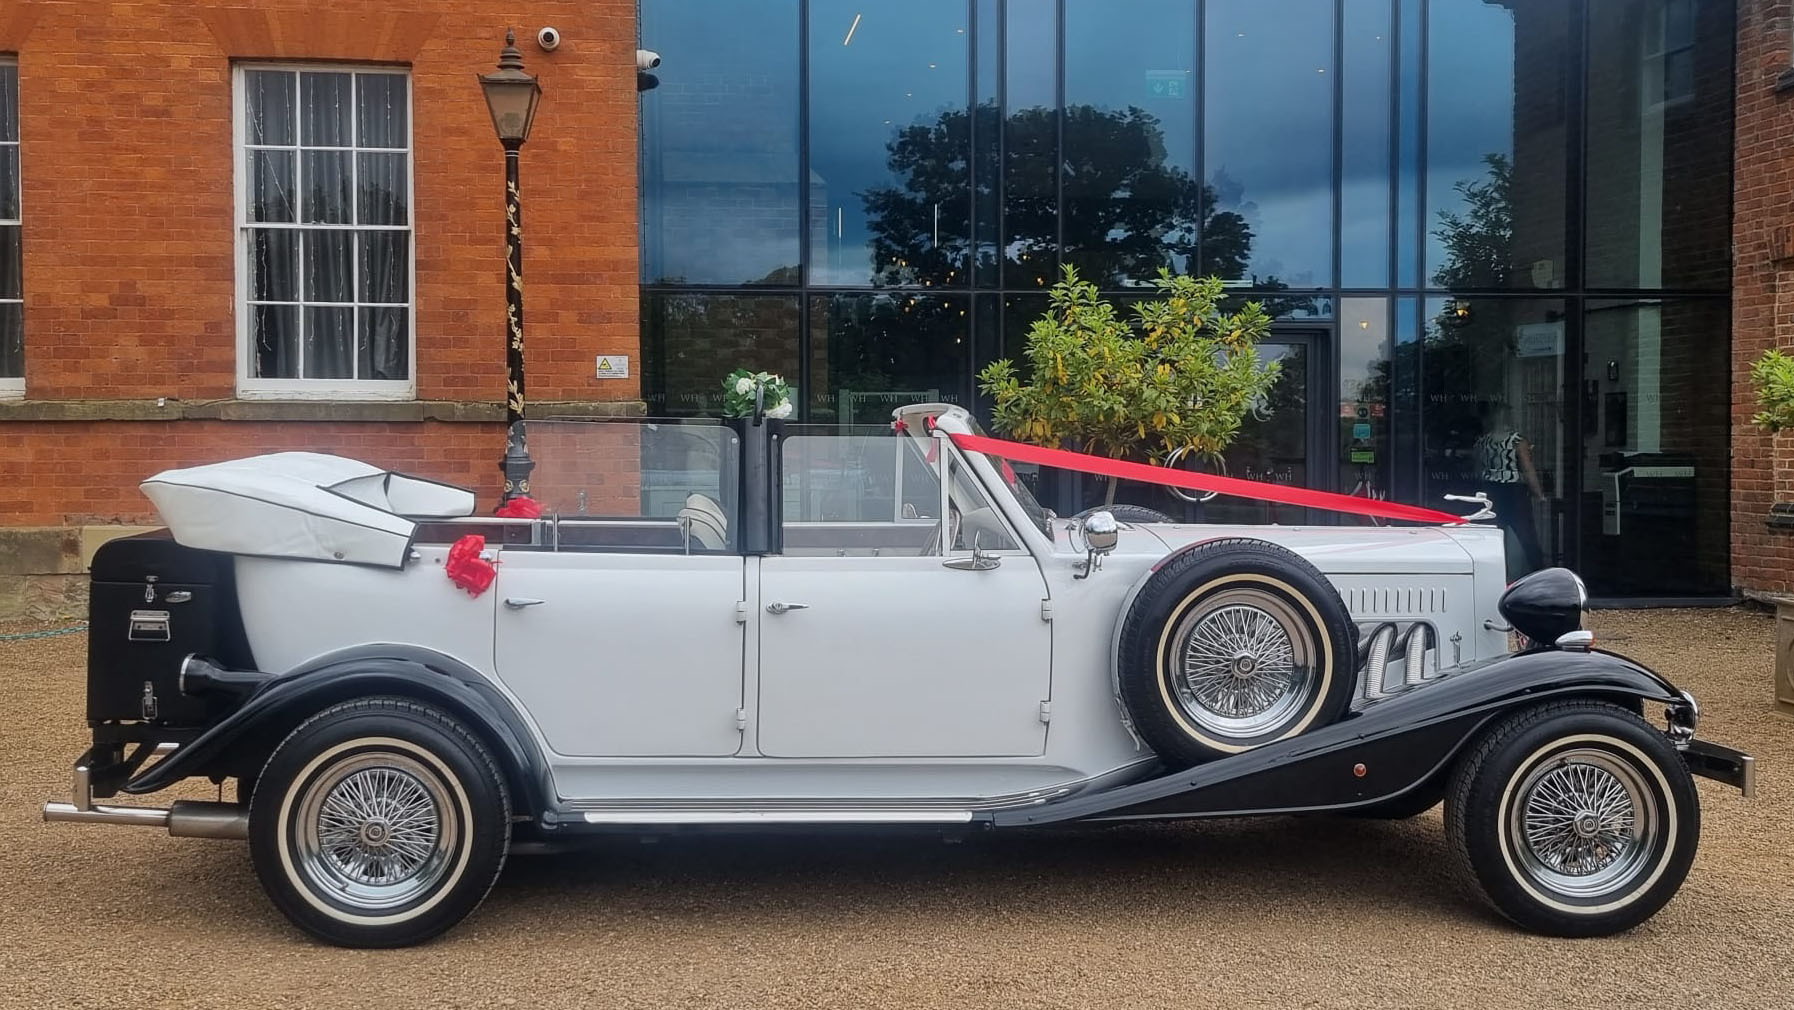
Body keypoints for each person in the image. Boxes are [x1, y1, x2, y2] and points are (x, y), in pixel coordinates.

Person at [1472, 402, 1547, 575]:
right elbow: (1528, 469)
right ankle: (1540, 574)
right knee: (1527, 536)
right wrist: (1539, 494)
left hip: (1490, 492)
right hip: (1514, 492)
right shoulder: (1517, 441)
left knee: (1496, 537)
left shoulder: (1483, 441)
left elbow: (1477, 469)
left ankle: (1497, 575)